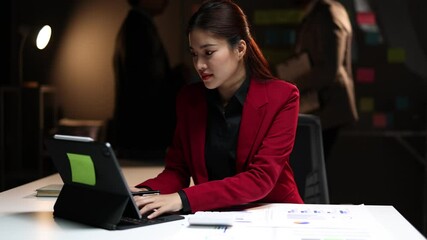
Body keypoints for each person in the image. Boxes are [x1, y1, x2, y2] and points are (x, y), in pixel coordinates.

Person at [131, 0, 303, 219]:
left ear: (240, 48)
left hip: (274, 215)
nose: (199, 64)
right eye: (194, 54)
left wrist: (183, 199)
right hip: (215, 218)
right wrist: (144, 194)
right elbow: (177, 171)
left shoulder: (283, 96)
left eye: (208, 52)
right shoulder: (189, 99)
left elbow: (260, 179)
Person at [276, 0, 358, 161]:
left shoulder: (328, 13)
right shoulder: (319, 12)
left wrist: (290, 86)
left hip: (326, 109)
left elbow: (328, 69)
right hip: (319, 108)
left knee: (315, 174)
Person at [109, 0, 176, 159]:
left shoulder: (137, 26)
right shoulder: (138, 29)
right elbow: (148, 82)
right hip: (143, 130)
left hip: (137, 131)